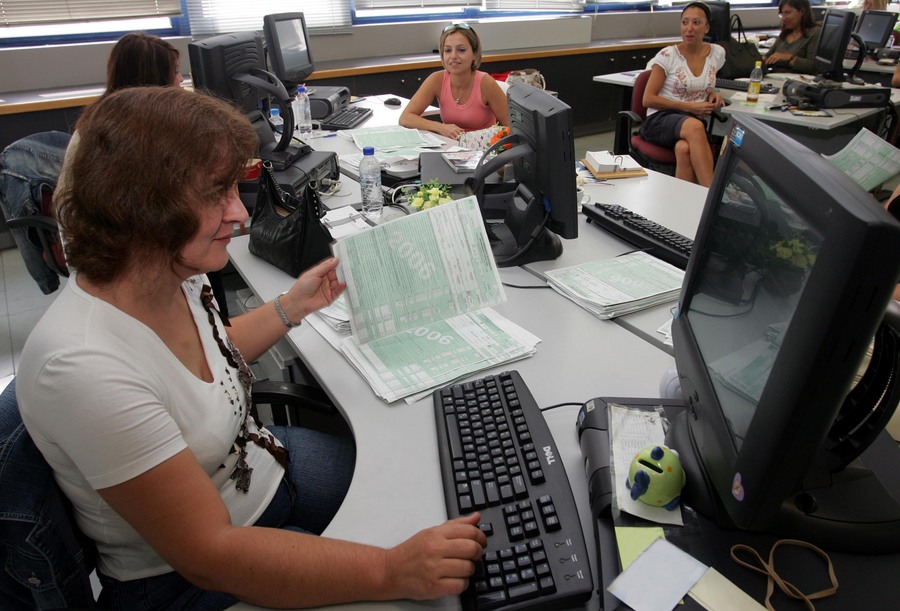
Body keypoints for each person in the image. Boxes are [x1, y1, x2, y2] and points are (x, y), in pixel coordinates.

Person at [16, 86, 486, 610]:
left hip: (261, 469)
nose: (240, 213)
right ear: (145, 208)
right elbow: (210, 553)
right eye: (217, 193)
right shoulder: (83, 367)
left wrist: (293, 306)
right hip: (185, 579)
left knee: (422, 484)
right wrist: (388, 570)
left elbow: (207, 361)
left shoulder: (168, 270)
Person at [640, 1, 726, 187]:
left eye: (696, 23)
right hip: (659, 120)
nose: (689, 28)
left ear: (707, 27)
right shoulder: (668, 55)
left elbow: (705, 81)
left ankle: (684, 204)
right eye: (685, 22)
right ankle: (709, 196)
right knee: (695, 127)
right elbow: (648, 99)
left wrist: (713, 92)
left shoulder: (717, 53)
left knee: (684, 148)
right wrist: (689, 107)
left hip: (688, 122)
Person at [400, 23, 509, 139]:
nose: (453, 56)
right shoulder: (436, 80)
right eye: (447, 50)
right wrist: (441, 127)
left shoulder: (487, 83)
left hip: (483, 152)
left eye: (461, 50)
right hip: (450, 149)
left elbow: (512, 127)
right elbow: (406, 118)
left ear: (474, 54)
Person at [763, 0, 822, 75]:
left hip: (797, 82)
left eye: (787, 13)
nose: (784, 18)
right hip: (775, 77)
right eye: (782, 14)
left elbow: (813, 67)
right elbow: (768, 56)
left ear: (802, 12)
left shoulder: (815, 33)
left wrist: (789, 58)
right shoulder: (785, 32)